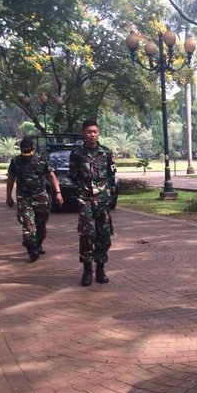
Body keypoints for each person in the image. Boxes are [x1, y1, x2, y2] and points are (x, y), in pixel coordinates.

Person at [69, 119, 117, 286]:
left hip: (102, 200)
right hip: (85, 199)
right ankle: (87, 270)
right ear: (84, 133)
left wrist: (110, 195)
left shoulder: (106, 152)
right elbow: (73, 174)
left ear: (98, 133)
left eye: (95, 131)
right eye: (89, 132)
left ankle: (101, 269)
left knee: (103, 234)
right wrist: (83, 190)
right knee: (87, 234)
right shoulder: (76, 153)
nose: (92, 135)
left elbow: (112, 176)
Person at [6, 137, 63, 262]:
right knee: (28, 224)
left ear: (34, 149)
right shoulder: (16, 162)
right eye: (24, 152)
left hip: (41, 197)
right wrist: (8, 196)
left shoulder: (42, 160)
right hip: (24, 198)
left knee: (41, 225)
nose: (27, 155)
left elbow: (52, 177)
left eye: (29, 152)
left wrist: (58, 193)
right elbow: (10, 179)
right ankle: (31, 247)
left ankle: (38, 243)